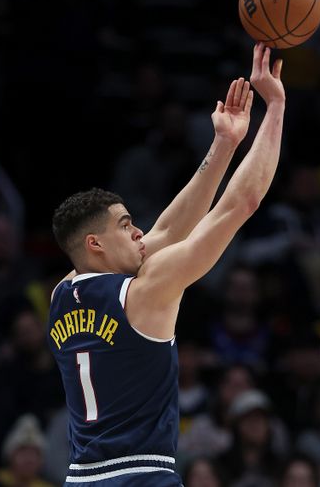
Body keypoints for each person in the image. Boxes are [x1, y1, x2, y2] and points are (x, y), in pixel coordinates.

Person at [47, 42, 286, 486]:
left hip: (82, 477)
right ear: (96, 243)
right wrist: (275, 106)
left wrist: (224, 145)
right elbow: (243, 203)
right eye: (126, 225)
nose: (140, 232)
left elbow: (169, 231)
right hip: (142, 476)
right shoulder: (148, 289)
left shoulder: (64, 292)